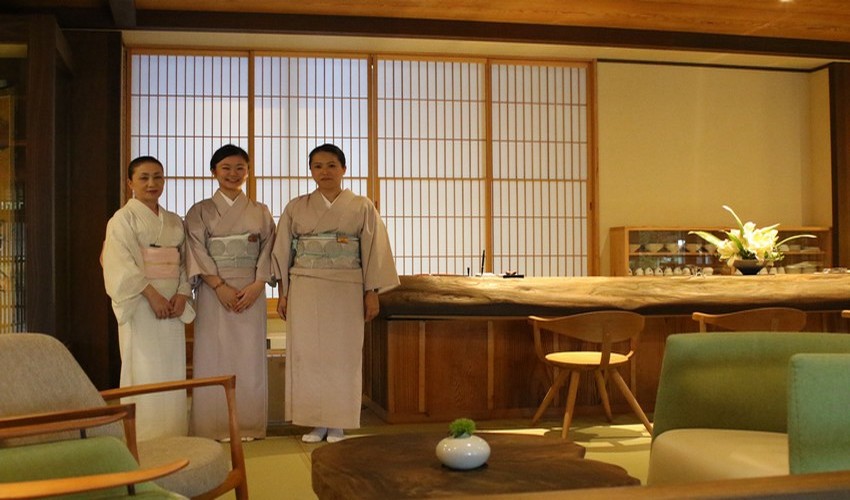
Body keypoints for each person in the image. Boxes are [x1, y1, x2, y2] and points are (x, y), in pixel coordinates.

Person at [272, 143, 400, 443]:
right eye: (317, 166)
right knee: (308, 354)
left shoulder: (362, 206)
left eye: (331, 165)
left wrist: (372, 292)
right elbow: (282, 252)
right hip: (305, 285)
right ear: (311, 171)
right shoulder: (296, 207)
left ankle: (339, 420)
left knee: (344, 354)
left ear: (343, 169)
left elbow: (372, 252)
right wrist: (284, 293)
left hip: (346, 287)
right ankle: (315, 422)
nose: (324, 171)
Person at [184, 144, 276, 440]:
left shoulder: (260, 212)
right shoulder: (200, 212)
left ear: (247, 171)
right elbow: (195, 249)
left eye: (240, 168)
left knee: (249, 358)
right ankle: (212, 426)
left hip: (251, 290)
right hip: (214, 292)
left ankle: (247, 425)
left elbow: (269, 251)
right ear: (214, 172)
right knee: (213, 355)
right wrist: (219, 286)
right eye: (226, 168)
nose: (233, 174)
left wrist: (258, 284)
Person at [102, 155, 194, 441]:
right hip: (141, 302)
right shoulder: (122, 219)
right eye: (144, 177)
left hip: (172, 303)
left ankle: (173, 432)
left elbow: (184, 263)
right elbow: (120, 263)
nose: (152, 183)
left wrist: (181, 294)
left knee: (172, 368)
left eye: (158, 177)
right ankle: (142, 435)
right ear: (130, 182)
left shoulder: (174, 221)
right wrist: (152, 295)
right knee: (141, 365)